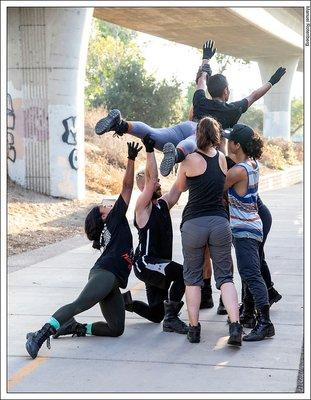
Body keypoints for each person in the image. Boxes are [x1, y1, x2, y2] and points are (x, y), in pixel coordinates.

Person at [94, 40, 286, 177]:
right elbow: (253, 95)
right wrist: (272, 82)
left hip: (184, 125)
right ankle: (177, 154)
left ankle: (120, 124)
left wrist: (206, 59)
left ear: (211, 90)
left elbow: (202, 80)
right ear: (226, 91)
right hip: (198, 133)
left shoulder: (201, 98)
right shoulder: (232, 109)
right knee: (194, 142)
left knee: (153, 134)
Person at [25, 142, 142, 359]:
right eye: (103, 207)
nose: (107, 205)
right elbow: (127, 187)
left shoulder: (113, 224)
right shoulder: (115, 217)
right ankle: (39, 335)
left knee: (116, 328)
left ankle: (76, 328)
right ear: (104, 217)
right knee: (80, 304)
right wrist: (131, 159)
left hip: (111, 280)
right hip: (105, 274)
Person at [174, 116, 243, 345]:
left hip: (194, 223)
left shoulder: (188, 161)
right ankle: (235, 327)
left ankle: (194, 329)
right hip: (219, 222)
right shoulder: (223, 160)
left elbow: (181, 187)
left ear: (197, 136)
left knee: (192, 279)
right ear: (216, 136)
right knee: (225, 278)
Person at [123, 135, 188, 334]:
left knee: (156, 313)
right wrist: (150, 150)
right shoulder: (143, 208)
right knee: (183, 274)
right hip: (146, 263)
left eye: (159, 182)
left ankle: (125, 302)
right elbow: (151, 180)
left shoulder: (162, 204)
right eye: (154, 182)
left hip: (156, 264)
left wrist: (186, 160)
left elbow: (178, 187)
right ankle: (173, 319)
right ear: (143, 188)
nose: (158, 184)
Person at [223, 124, 275, 341]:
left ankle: (265, 323)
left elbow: (218, 189)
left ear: (236, 144)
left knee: (251, 276)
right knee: (251, 274)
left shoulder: (237, 171)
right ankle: (256, 317)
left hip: (244, 230)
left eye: (229, 140)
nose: (226, 143)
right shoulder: (252, 164)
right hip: (253, 225)